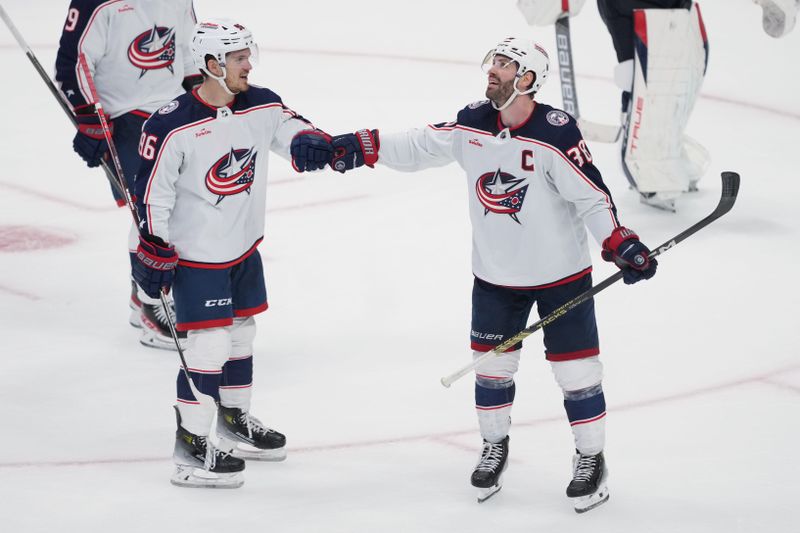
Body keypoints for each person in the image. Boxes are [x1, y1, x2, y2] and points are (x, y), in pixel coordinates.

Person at [322, 37, 657, 512]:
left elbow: (591, 197)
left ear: (528, 79)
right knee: (492, 369)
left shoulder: (555, 134)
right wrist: (364, 146)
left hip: (561, 274)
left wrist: (620, 242)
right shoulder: (474, 121)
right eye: (494, 62)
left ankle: (591, 458)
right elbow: (422, 143)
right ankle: (494, 446)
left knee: (577, 373)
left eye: (505, 65)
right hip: (497, 277)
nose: (493, 71)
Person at [131, 19, 334, 488]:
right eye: (239, 57)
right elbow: (151, 195)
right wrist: (153, 250)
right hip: (197, 257)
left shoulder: (260, 104)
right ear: (210, 64)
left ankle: (233, 419)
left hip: (243, 248)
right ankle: (190, 447)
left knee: (242, 334)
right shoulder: (171, 124)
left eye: (247, 55)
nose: (249, 64)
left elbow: (293, 128)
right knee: (208, 346)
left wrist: (313, 144)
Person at [55, 0, 201, 349]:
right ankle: (154, 309)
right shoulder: (98, 4)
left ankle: (143, 297)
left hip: (175, 110)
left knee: (182, 206)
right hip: (126, 117)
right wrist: (90, 118)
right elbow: (71, 62)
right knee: (151, 209)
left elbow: (191, 48)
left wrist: (201, 94)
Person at [518, 0, 710, 212]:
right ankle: (656, 172)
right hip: (643, 11)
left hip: (675, 11)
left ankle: (663, 160)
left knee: (674, 80)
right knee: (652, 82)